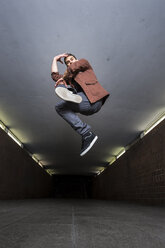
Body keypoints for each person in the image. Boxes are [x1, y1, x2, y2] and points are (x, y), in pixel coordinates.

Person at [51, 53, 110, 156]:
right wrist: (55, 59)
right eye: (68, 62)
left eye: (72, 60)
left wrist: (64, 77)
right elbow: (55, 76)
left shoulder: (84, 64)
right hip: (87, 107)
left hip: (95, 100)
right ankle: (87, 134)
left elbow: (74, 67)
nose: (70, 63)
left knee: (63, 83)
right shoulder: (70, 78)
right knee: (60, 107)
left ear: (76, 59)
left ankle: (70, 94)